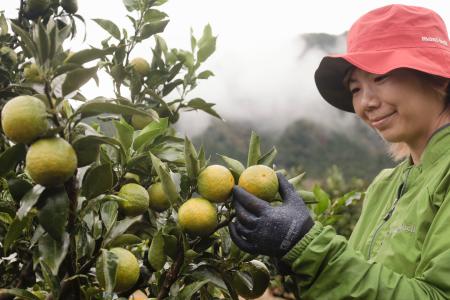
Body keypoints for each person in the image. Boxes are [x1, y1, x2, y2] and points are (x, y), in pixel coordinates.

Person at [229, 4, 450, 299]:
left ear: (439, 76)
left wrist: (308, 246)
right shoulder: (385, 185)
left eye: (380, 77)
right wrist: (293, 256)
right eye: (356, 88)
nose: (365, 103)